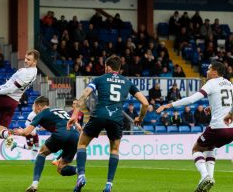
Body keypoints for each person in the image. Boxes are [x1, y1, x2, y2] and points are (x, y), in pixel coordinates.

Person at [67, 55, 149, 192]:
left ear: (107, 67)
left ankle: (81, 175)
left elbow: (85, 94)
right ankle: (109, 185)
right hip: (116, 118)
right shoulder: (127, 82)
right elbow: (145, 103)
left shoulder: (99, 79)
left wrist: (75, 114)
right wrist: (139, 118)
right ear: (119, 69)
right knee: (114, 150)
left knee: (81, 144)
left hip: (99, 115)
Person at [157, 61, 233, 192]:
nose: (207, 71)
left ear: (215, 72)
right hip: (231, 129)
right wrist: (212, 106)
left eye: (209, 69)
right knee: (210, 148)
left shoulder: (211, 83)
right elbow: (226, 102)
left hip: (218, 127)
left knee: (196, 149)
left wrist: (170, 105)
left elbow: (192, 99)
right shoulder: (230, 84)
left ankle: (205, 176)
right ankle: (209, 180)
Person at [14, 96, 79, 192]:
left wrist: (20, 132)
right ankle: (79, 170)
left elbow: (27, 132)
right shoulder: (58, 110)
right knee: (61, 168)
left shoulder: (41, 114)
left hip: (61, 134)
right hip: (75, 136)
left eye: (34, 106)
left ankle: (34, 184)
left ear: (39, 106)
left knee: (42, 153)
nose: (34, 109)